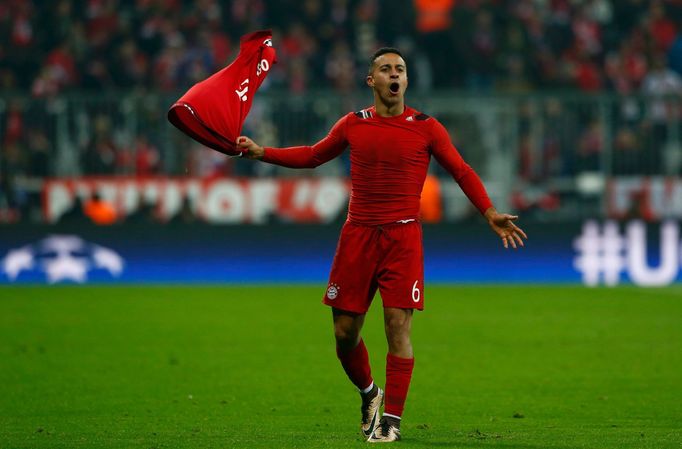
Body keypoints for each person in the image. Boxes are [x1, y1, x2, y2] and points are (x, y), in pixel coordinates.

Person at [237, 47, 527, 443]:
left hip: (402, 238)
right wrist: (262, 152)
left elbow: (461, 170)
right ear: (371, 81)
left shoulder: (427, 127)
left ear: (407, 81)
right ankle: (370, 395)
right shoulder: (353, 124)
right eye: (386, 69)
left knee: (397, 326)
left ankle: (391, 421)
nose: (395, 74)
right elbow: (313, 155)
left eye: (401, 69)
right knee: (344, 333)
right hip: (357, 235)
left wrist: (489, 211)